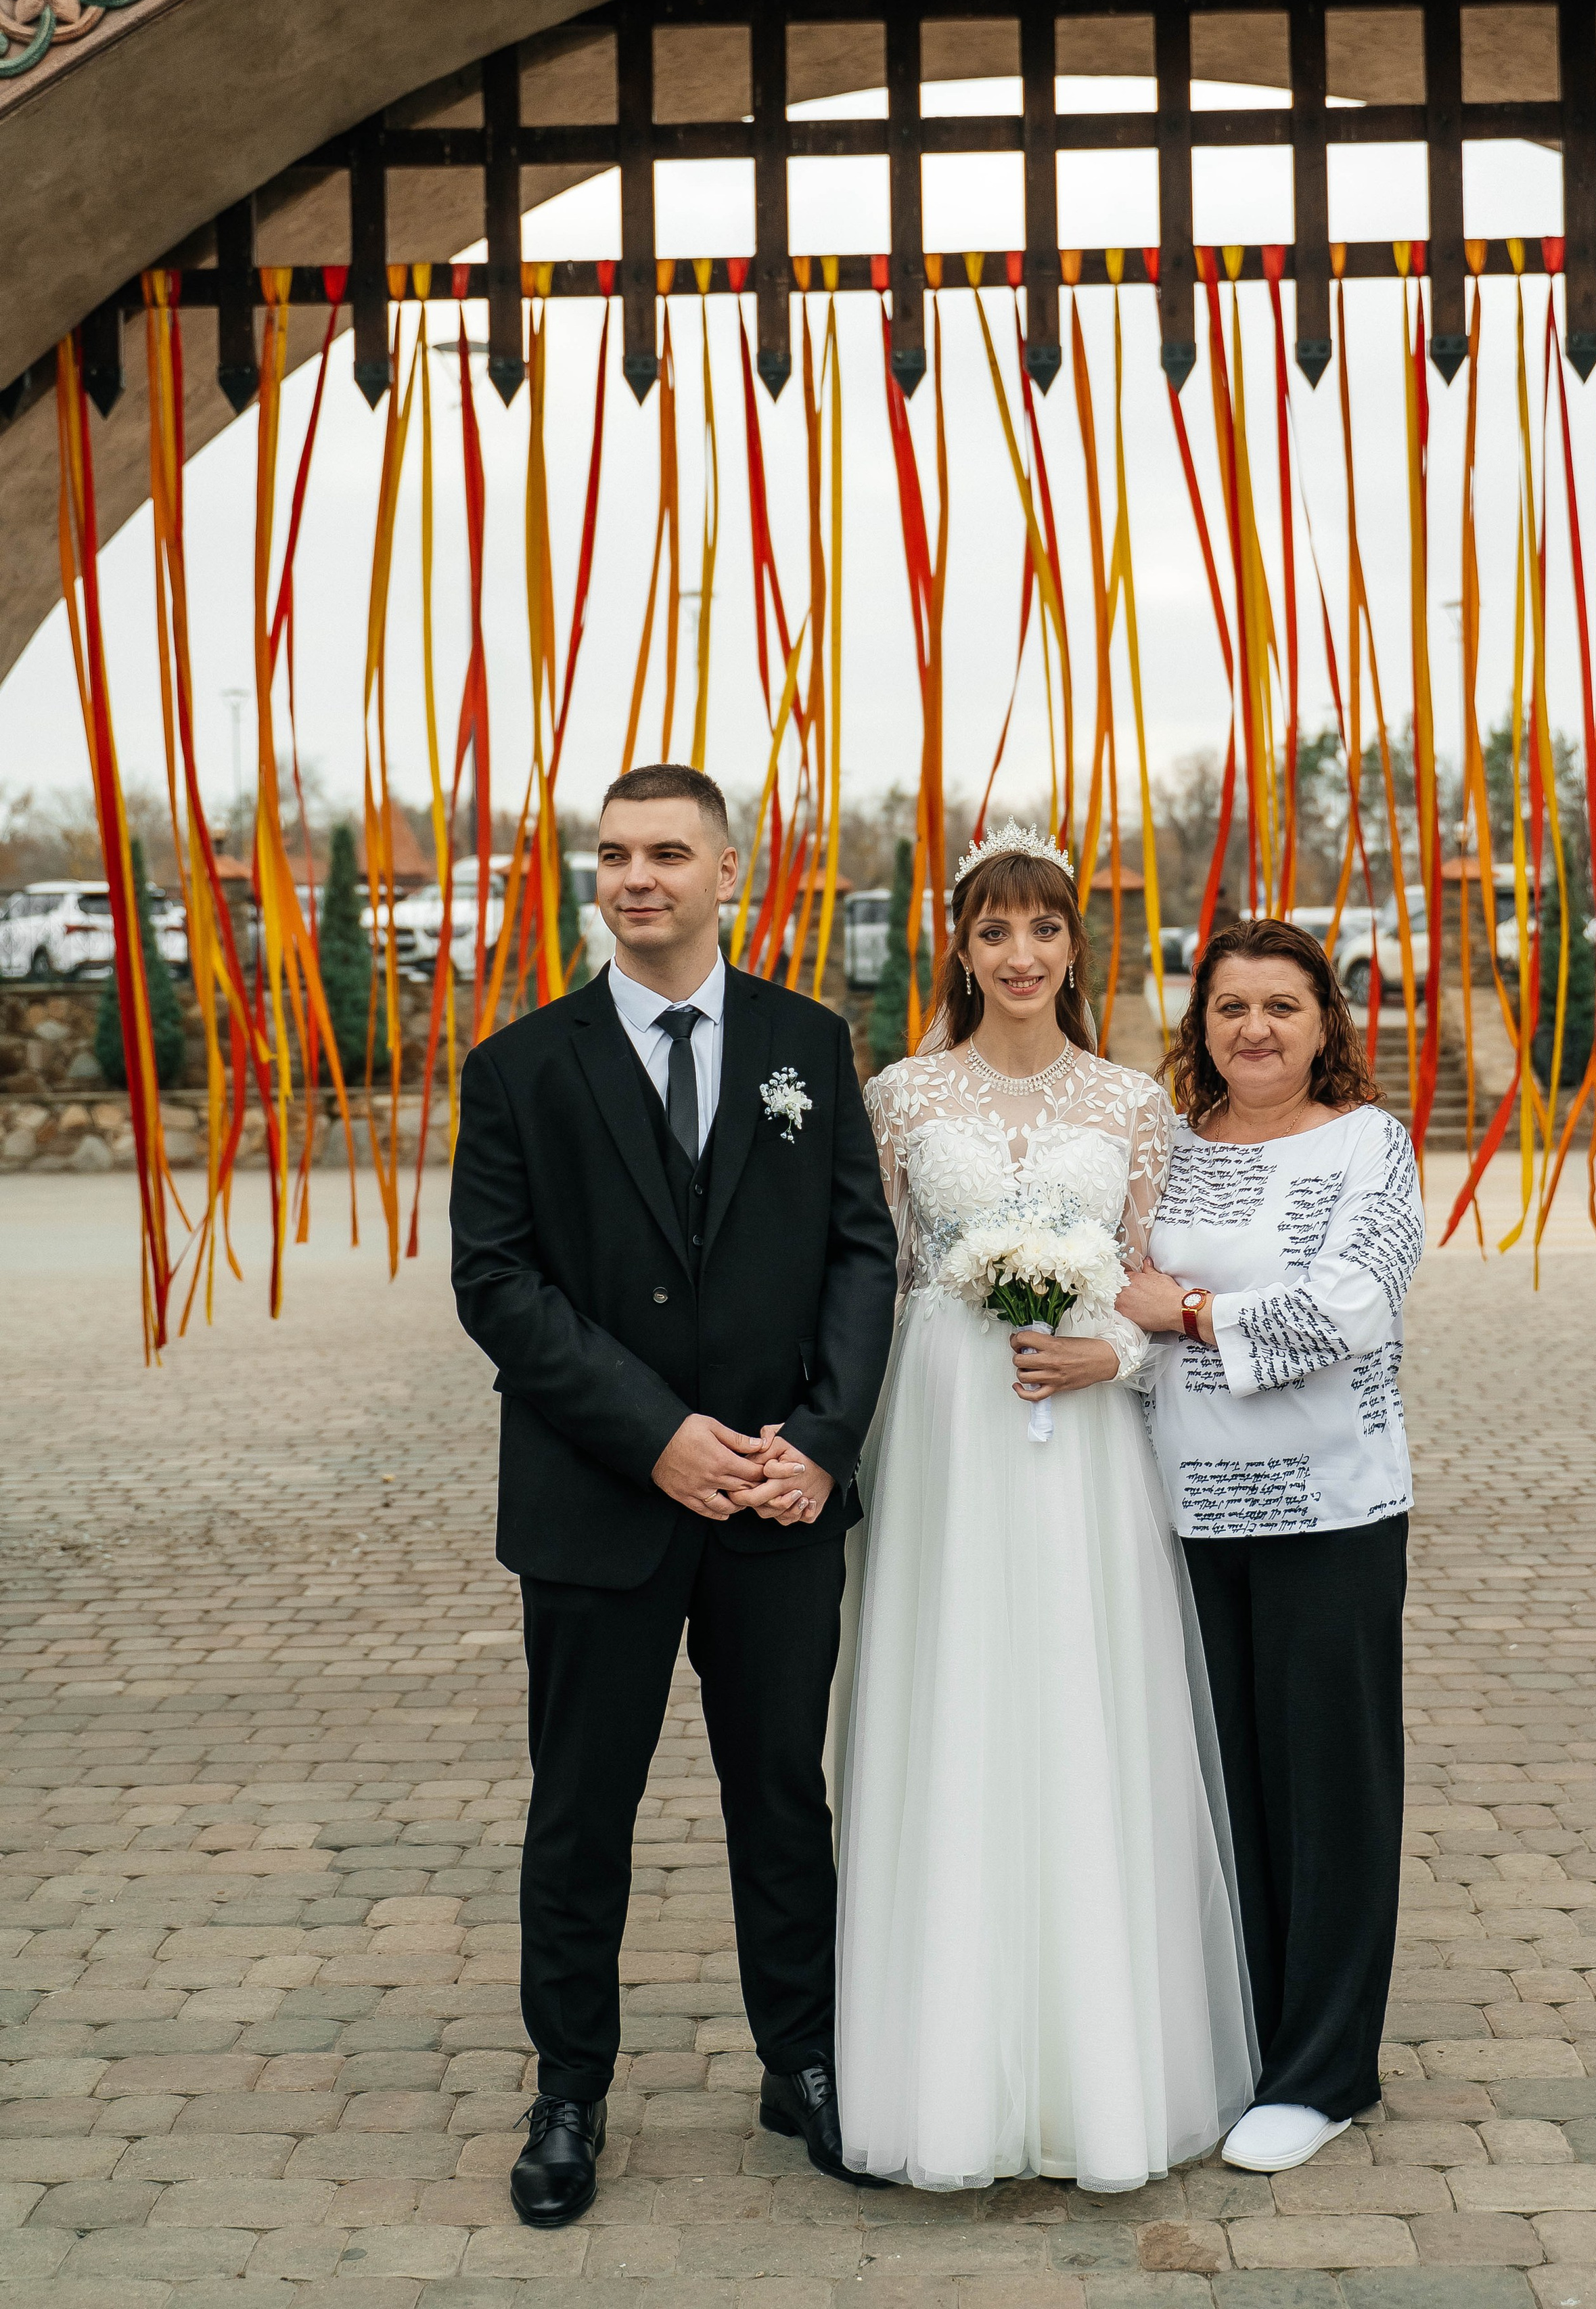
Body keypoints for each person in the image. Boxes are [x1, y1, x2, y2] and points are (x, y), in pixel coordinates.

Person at [450, 763, 898, 2228]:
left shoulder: (805, 1042)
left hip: (777, 1499)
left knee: (782, 1795)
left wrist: (823, 1440)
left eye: (665, 854)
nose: (635, 878)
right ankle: (570, 2089)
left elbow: (860, 1253)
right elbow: (496, 1282)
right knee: (583, 1808)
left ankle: (802, 2060)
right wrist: (652, 1436)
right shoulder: (521, 1065)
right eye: (613, 855)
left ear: (727, 872)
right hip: (599, 1504)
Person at [834, 825, 1255, 2193]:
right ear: (960, 951)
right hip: (945, 1434)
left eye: (1043, 929)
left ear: (1076, 948)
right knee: (953, 1695)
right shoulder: (899, 1096)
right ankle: (941, 2075)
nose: (1020, 954)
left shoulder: (1131, 1104)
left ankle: (1100, 2074)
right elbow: (878, 1279)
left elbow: (1145, 1282)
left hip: (1080, 1437)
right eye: (994, 931)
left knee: (1080, 1698)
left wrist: (1109, 1356)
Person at [1115, 918, 1424, 2176]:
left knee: (1328, 1794)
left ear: (1323, 1023)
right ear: (1201, 1025)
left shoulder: (1369, 1145)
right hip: (1185, 1509)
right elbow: (1114, 1294)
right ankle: (1250, 2044)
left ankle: (1327, 2071)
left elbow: (1351, 1309)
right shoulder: (1171, 1150)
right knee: (1223, 1785)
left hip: (1328, 1510)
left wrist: (1187, 1310)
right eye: (1231, 1006)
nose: (1255, 1029)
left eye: (1282, 1007)